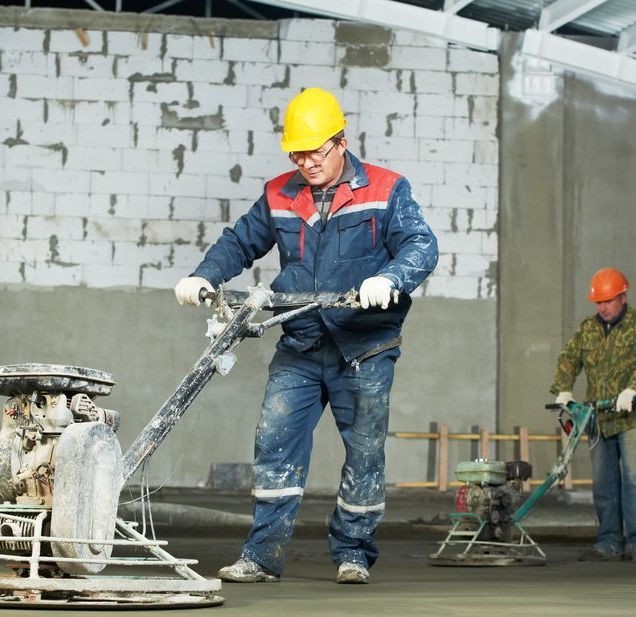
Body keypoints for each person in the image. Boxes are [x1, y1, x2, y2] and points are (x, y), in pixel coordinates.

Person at [174, 88, 438, 584]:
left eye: (316, 151)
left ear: (341, 142)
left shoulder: (386, 188)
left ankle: (353, 551)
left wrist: (391, 279)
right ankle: (262, 555)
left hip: (364, 347)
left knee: (364, 450)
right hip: (300, 343)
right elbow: (241, 241)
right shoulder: (280, 193)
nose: (307, 162)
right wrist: (206, 274)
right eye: (297, 152)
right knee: (274, 441)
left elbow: (421, 245)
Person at [550, 267, 636, 563]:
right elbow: (569, 358)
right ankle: (609, 542)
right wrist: (563, 389)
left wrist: (633, 389)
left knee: (634, 479)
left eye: (608, 301)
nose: (602, 307)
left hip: (632, 417)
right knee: (603, 483)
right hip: (597, 418)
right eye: (598, 302)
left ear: (623, 297)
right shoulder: (588, 328)